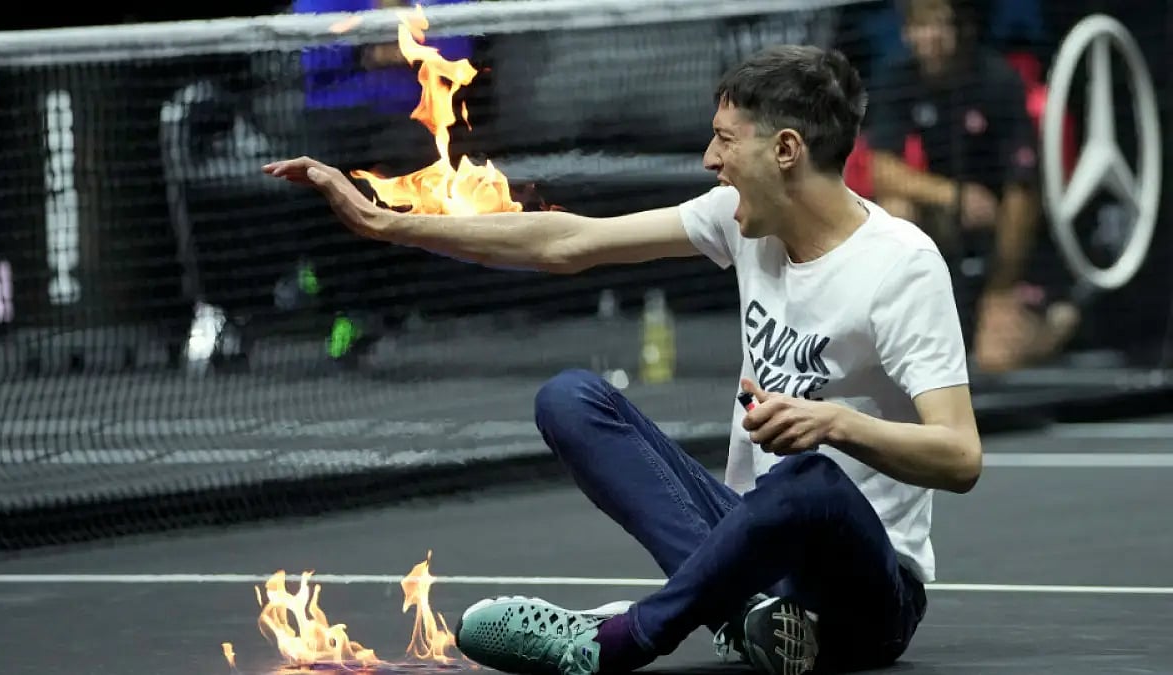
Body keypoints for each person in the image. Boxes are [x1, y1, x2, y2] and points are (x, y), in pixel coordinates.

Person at [263, 43, 982, 675]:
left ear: (786, 150)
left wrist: (834, 423)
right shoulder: (741, 224)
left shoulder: (900, 269)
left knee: (809, 482)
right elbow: (568, 242)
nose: (710, 160)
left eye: (725, 141)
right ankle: (749, 615)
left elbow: (958, 456)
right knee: (571, 398)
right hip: (753, 545)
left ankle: (620, 638)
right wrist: (386, 223)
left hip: (868, 591)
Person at [865, 0, 1078, 372]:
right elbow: (882, 170)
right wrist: (955, 197)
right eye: (920, 26)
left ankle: (1060, 321)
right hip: (951, 217)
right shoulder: (897, 79)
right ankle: (911, 320)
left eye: (939, 26)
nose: (929, 38)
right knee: (896, 209)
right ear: (907, 32)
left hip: (1006, 229)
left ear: (961, 30)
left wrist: (1001, 285)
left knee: (996, 358)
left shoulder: (997, 81)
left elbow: (1022, 193)